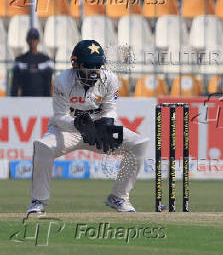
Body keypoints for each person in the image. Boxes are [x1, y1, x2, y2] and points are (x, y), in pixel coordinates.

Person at [26, 40, 149, 214]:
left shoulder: (110, 79)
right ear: (75, 64)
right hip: (68, 131)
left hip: (98, 130)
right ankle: (38, 201)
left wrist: (106, 124)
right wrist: (77, 123)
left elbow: (110, 109)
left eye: (97, 65)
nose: (93, 71)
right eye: (89, 66)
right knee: (43, 146)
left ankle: (119, 196)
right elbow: (60, 116)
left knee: (139, 143)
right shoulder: (62, 81)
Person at [10, 28, 54, 96]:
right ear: (27, 40)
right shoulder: (19, 60)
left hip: (42, 100)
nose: (32, 41)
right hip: (24, 99)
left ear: (38, 41)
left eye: (35, 38)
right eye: (30, 38)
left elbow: (49, 83)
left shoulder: (46, 60)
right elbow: (15, 85)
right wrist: (13, 102)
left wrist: (48, 101)